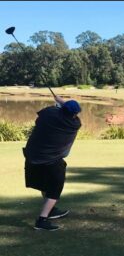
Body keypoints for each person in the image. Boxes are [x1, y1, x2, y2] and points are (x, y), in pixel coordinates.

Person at [23, 95, 82, 231]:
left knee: (45, 184)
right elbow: (68, 110)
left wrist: (59, 101)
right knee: (55, 190)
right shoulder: (75, 124)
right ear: (74, 114)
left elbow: (42, 116)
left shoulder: (48, 114)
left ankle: (50, 210)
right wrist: (61, 101)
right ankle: (41, 221)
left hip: (33, 156)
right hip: (51, 161)